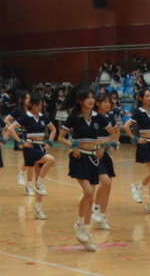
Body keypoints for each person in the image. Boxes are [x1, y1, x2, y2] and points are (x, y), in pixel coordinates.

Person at [58, 88, 114, 252]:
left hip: (94, 158)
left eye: (92, 97)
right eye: (87, 97)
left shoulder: (98, 117)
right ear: (80, 101)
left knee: (90, 198)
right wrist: (72, 145)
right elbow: (60, 137)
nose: (91, 100)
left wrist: (103, 147)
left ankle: (86, 233)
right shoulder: (74, 117)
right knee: (89, 193)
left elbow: (112, 133)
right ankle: (79, 224)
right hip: (79, 158)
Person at [6, 96, 56, 221]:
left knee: (39, 177)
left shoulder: (44, 117)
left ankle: (38, 208)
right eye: (36, 105)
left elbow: (53, 129)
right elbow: (11, 128)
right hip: (30, 147)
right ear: (31, 105)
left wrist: (49, 142)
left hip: (41, 147)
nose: (39, 108)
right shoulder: (26, 116)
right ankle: (39, 184)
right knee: (51, 160)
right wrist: (21, 142)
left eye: (41, 106)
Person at [124, 88, 150, 215]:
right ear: (140, 98)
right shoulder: (138, 113)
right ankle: (138, 188)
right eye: (146, 96)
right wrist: (135, 139)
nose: (149, 98)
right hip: (144, 144)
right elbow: (126, 126)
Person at [93, 92, 119, 230]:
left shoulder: (110, 117)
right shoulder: (93, 117)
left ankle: (102, 216)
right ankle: (95, 207)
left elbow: (116, 131)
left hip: (106, 153)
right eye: (105, 102)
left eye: (109, 102)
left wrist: (114, 144)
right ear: (97, 103)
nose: (108, 104)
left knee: (108, 187)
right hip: (95, 153)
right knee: (105, 182)